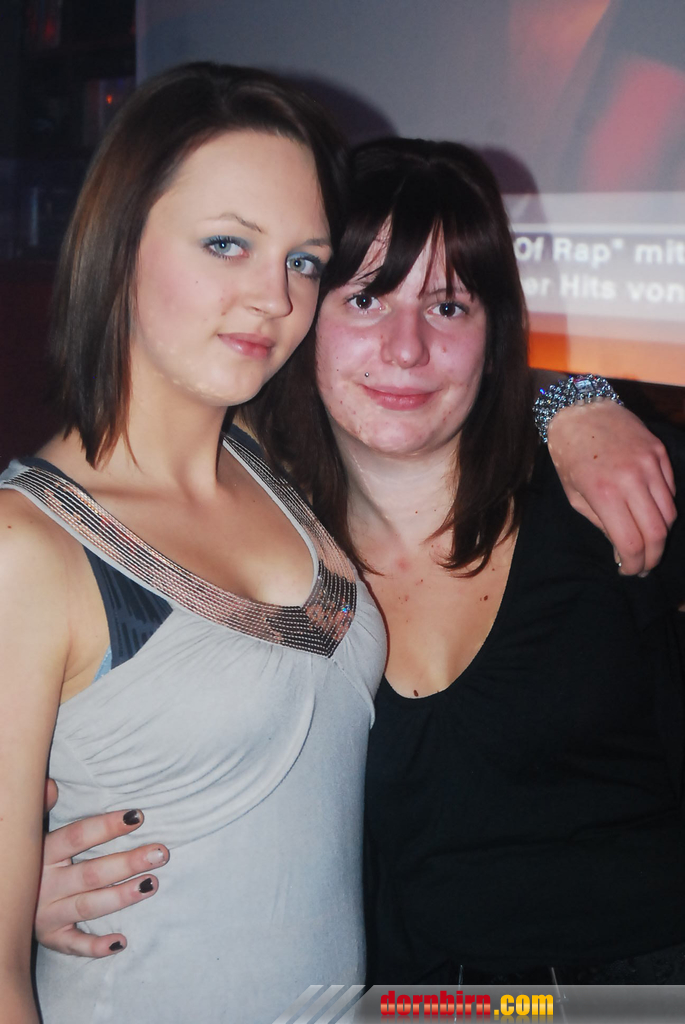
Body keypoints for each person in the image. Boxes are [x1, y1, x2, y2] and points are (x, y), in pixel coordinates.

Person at [33, 135, 683, 991]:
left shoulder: (613, 494)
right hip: (416, 1007)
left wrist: (573, 393)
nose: (406, 349)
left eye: (448, 307)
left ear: (494, 334)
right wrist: (27, 880)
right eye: (366, 299)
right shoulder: (257, 552)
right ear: (303, 319)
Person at [0, 62, 388, 1024]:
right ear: (119, 243)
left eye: (303, 261)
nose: (275, 299)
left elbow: (459, 414)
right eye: (227, 244)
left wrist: (572, 405)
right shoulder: (26, 550)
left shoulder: (278, 464)